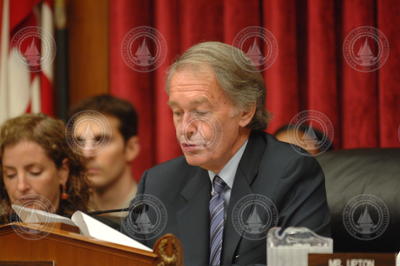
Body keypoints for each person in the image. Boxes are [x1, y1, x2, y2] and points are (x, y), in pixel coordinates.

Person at [122, 42, 331, 266]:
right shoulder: (159, 184)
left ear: (245, 111)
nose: (185, 128)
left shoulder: (292, 173)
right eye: (177, 112)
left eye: (200, 112)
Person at [0, 114, 89, 224]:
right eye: (11, 175)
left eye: (34, 172)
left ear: (62, 172)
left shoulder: (95, 234)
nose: (21, 186)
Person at [67, 95, 140, 215]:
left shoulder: (154, 215)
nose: (86, 153)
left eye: (101, 140)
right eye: (79, 142)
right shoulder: (67, 216)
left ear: (131, 149)